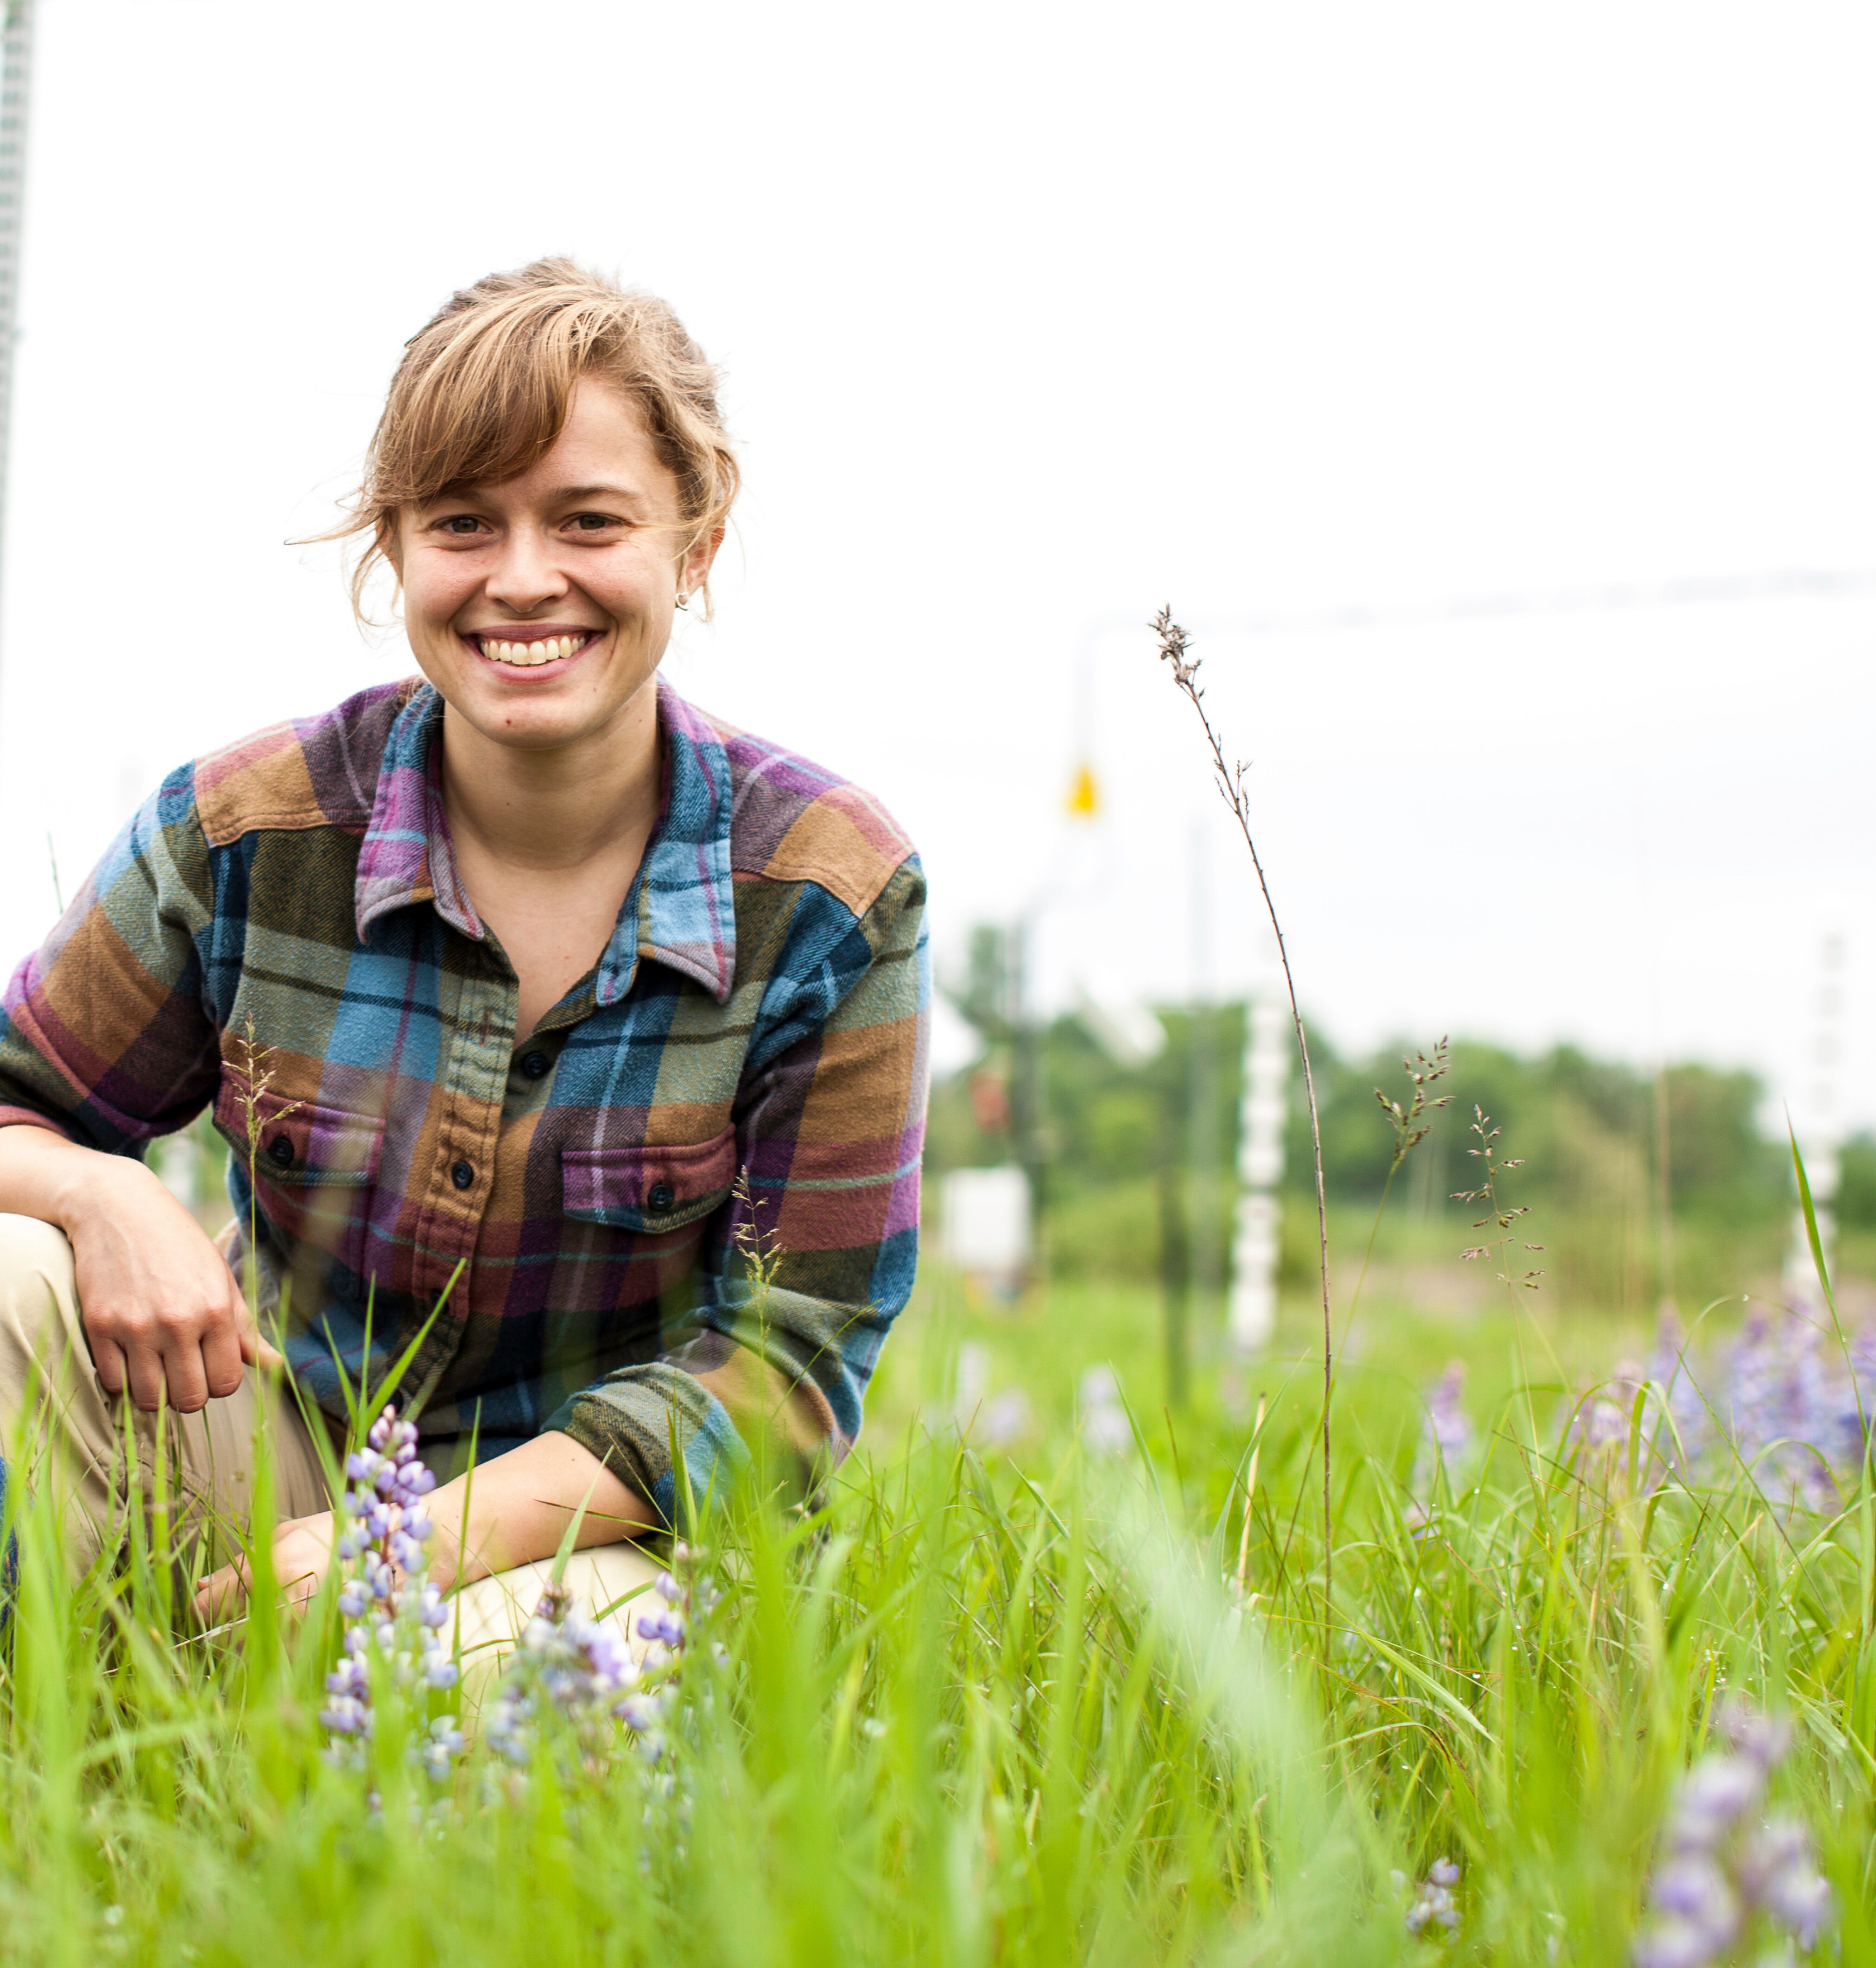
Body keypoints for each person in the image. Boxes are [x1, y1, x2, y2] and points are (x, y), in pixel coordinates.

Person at [0, 259, 929, 1663]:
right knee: (15, 1272)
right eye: (462, 523)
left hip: (593, 1526)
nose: (521, 579)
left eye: (587, 521)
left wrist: (407, 1549)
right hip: (281, 1448)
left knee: (494, 1698)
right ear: (396, 548)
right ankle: (71, 1749)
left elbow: (786, 1370)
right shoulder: (247, 833)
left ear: (697, 540)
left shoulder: (828, 892)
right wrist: (95, 1187)